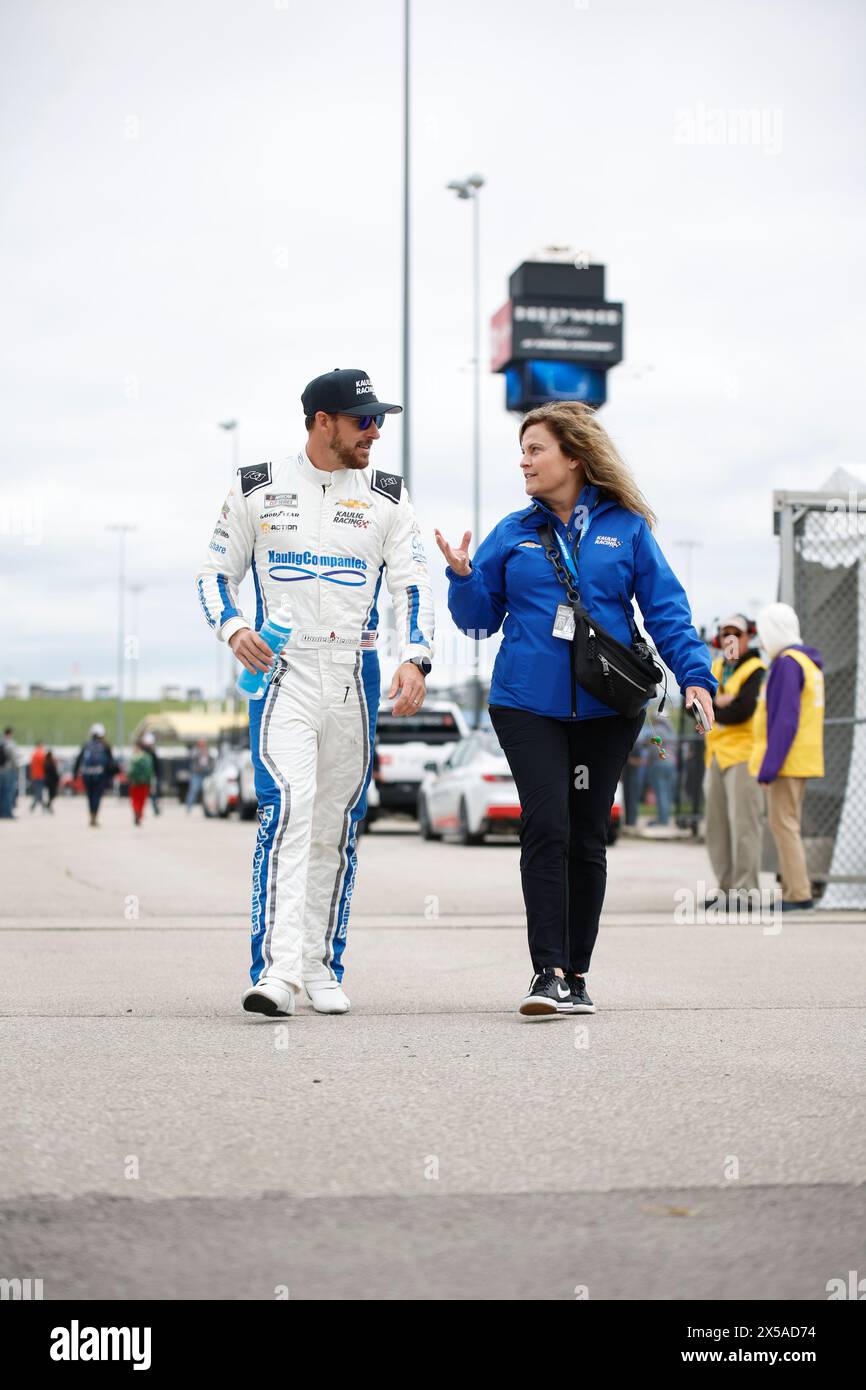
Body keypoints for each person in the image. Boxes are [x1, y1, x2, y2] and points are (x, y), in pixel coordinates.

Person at [437, 400, 716, 1017]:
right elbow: (479, 622)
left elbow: (666, 612)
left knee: (587, 835)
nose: (525, 461)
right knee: (547, 825)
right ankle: (547, 974)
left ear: (574, 456)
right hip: (526, 707)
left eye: (536, 449)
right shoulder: (512, 532)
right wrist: (462, 579)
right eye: (522, 450)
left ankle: (578, 974)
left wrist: (696, 676)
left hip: (607, 710)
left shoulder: (628, 529)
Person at [196, 367, 434, 1019]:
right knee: (290, 807)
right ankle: (275, 971)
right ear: (322, 422)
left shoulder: (388, 495)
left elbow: (411, 583)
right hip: (283, 673)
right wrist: (234, 627)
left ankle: (321, 964)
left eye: (380, 420)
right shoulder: (257, 486)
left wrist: (415, 658)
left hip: (353, 673)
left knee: (336, 822)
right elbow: (214, 575)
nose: (376, 431)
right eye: (364, 420)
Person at [748, 603, 825, 911]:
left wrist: (769, 767)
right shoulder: (807, 663)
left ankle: (798, 893)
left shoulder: (787, 664)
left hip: (787, 760)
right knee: (788, 824)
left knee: (784, 825)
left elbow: (784, 720)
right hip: (803, 757)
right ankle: (797, 889)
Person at [703, 615, 766, 907]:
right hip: (715, 754)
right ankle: (726, 889)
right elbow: (696, 706)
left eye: (736, 633)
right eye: (725, 633)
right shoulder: (715, 668)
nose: (730, 638)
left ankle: (746, 891)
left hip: (743, 755)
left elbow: (744, 710)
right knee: (716, 827)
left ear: (747, 638)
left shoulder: (756, 669)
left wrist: (715, 707)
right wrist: (719, 704)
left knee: (744, 826)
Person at [74, 724, 117, 827]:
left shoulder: (86, 745)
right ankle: (94, 817)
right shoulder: (105, 746)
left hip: (87, 775)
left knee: (90, 796)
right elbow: (111, 763)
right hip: (100, 775)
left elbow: (78, 760)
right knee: (97, 796)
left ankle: (91, 816)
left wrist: (74, 774)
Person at [645, 711, 677, 826]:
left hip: (659, 763)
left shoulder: (657, 730)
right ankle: (665, 818)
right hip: (671, 763)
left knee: (660, 792)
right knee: (667, 792)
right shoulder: (671, 731)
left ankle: (662, 820)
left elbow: (652, 748)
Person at [127, 741, 155, 826]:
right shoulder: (148, 758)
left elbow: (130, 772)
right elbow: (150, 772)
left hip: (134, 783)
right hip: (145, 783)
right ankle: (140, 814)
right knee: (142, 800)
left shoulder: (133, 758)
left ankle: (136, 811)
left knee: (135, 800)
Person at [186, 740, 213, 812]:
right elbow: (193, 765)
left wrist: (208, 769)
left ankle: (207, 808)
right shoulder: (195, 753)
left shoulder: (208, 754)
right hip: (197, 775)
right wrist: (200, 769)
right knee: (194, 790)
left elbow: (211, 764)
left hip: (206, 774)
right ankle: (189, 807)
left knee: (207, 792)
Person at [0, 728, 20, 819]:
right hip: (9, 770)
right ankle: (7, 813)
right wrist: (16, 768)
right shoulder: (10, 743)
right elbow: (13, 758)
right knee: (8, 792)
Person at [141, 732, 162, 815]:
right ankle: (154, 808)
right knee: (152, 793)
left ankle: (153, 807)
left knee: (151, 793)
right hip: (149, 776)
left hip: (149, 776)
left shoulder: (144, 752)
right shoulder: (150, 753)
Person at [29, 741, 47, 813]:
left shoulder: (34, 754)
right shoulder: (40, 754)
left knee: (38, 792)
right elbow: (45, 764)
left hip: (35, 775)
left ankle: (41, 807)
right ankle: (42, 806)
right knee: (39, 792)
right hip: (40, 776)